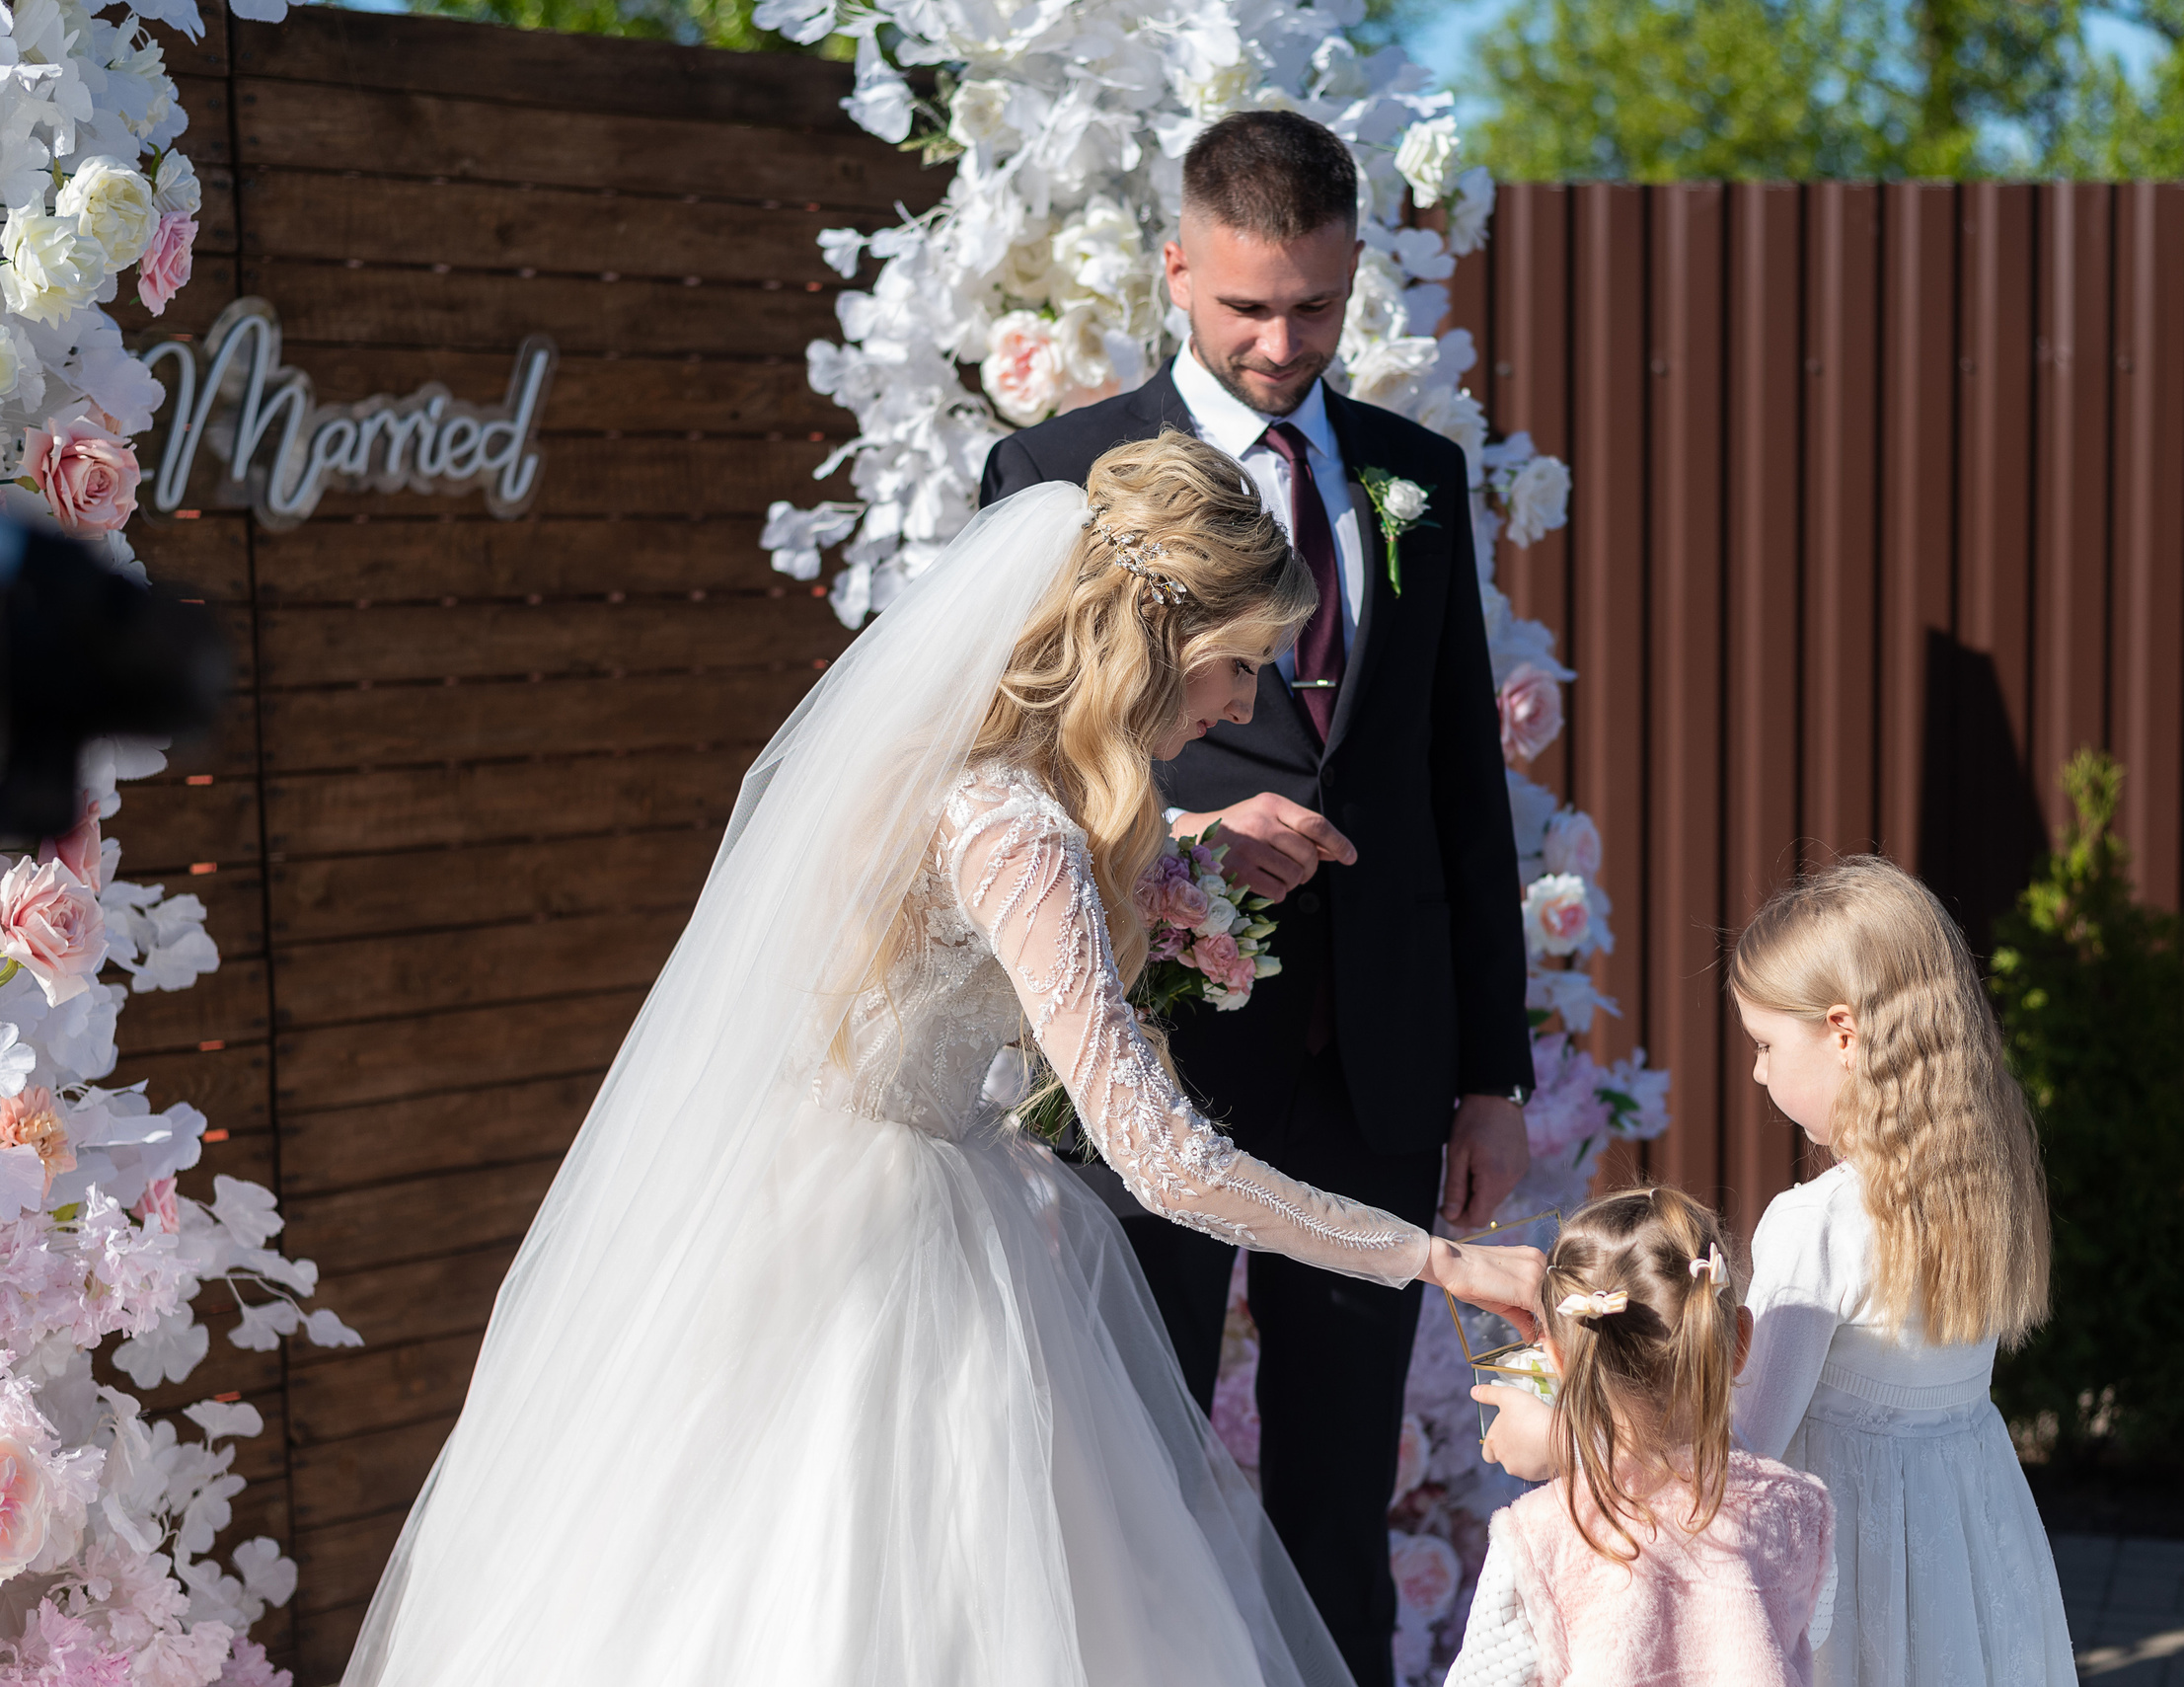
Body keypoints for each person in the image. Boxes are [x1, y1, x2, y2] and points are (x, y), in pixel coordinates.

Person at [338, 435, 1544, 1687]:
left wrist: (1171, 860)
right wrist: (1430, 1253)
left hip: (819, 1192)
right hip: (886, 1254)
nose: (1244, 705)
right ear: (1151, 641)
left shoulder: (966, 779)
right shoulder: (1020, 833)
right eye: (1236, 664)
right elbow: (1165, 1161)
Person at [980, 109, 1534, 1687]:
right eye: (1247, 308)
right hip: (1149, 1059)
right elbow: (1011, 752)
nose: (1284, 341)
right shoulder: (1056, 471)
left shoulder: (1419, 478)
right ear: (1177, 269)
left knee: (1336, 1506)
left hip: (1377, 1067)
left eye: (1317, 305)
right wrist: (1194, 818)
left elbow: (1456, 794)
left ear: (1358, 274)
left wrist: (1489, 1075)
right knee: (1129, 1480)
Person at [1726, 856, 2077, 1687]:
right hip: (1969, 1557)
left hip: (1850, 1573)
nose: (1758, 1071)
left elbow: (1747, 1448)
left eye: (1767, 1044)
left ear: (1843, 1035)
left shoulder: (1816, 1222)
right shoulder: (1980, 1185)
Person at [1447, 1188, 1837, 1687]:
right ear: (1739, 1342)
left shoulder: (1537, 1534)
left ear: (1558, 1362)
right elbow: (1811, 1629)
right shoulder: (1797, 1507)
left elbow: (1481, 1678)